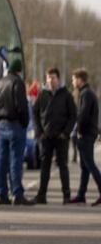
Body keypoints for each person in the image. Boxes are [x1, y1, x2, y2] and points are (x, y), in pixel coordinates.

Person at [0, 58, 35, 205]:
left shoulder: (0, 83)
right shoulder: (18, 83)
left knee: (1, 161)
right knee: (16, 161)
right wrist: (24, 123)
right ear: (19, 70)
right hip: (15, 125)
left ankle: (2, 194)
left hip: (1, 125)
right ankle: (17, 194)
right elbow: (21, 106)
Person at [33, 67, 77, 203]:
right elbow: (35, 113)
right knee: (45, 167)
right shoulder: (42, 94)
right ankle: (41, 196)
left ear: (58, 79)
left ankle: (66, 196)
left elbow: (73, 115)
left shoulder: (66, 95)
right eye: (48, 77)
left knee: (63, 166)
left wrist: (66, 132)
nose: (50, 80)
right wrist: (39, 132)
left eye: (53, 77)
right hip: (46, 137)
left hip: (61, 137)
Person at [69, 68, 101, 205]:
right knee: (84, 166)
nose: (72, 82)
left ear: (80, 80)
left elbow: (83, 115)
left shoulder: (86, 94)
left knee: (90, 164)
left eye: (74, 79)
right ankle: (81, 194)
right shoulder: (86, 93)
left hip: (86, 134)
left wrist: (79, 131)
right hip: (87, 133)